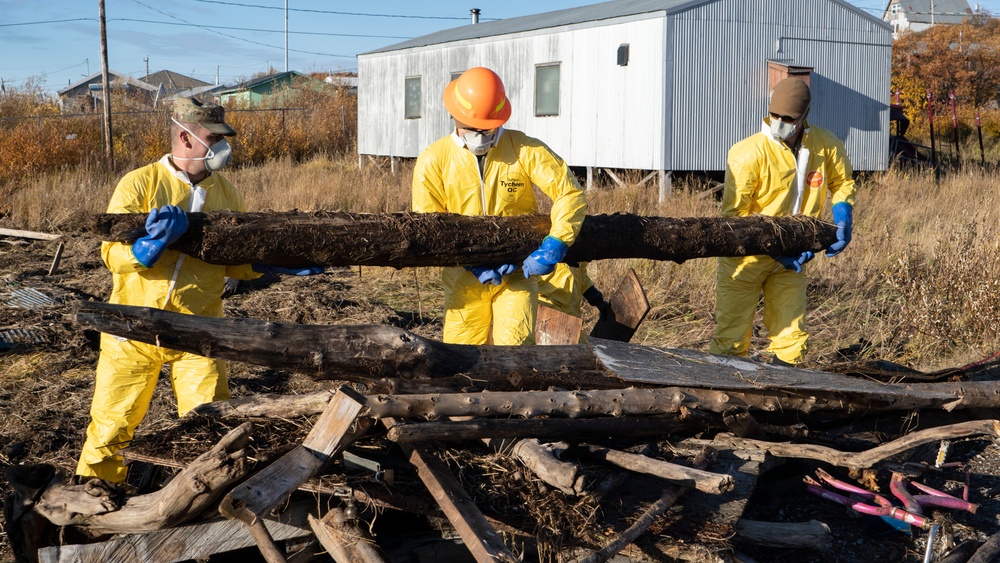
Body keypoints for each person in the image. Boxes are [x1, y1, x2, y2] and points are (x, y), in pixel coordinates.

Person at [76, 97, 321, 483]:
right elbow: (111, 254)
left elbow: (232, 261)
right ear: (186, 138)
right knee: (112, 423)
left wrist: (269, 264)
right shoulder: (140, 183)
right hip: (134, 328)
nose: (223, 148)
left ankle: (201, 499)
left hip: (200, 329)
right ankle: (91, 499)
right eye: (214, 138)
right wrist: (148, 247)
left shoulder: (226, 193)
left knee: (210, 425)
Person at [412, 67, 587, 345]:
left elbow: (570, 192)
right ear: (455, 114)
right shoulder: (434, 159)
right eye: (474, 127)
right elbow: (429, 225)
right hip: (463, 281)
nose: (480, 134)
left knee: (515, 352)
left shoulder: (523, 149)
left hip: (517, 273)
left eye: (486, 127)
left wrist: (555, 243)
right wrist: (471, 263)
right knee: (461, 357)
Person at [709, 78, 855, 365]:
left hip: (794, 258)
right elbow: (733, 217)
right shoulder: (748, 152)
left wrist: (843, 216)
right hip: (744, 260)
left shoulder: (825, 145)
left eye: (788, 118)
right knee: (731, 339)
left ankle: (782, 400)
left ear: (804, 117)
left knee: (791, 340)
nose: (779, 122)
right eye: (775, 115)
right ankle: (723, 397)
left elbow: (842, 182)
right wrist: (773, 248)